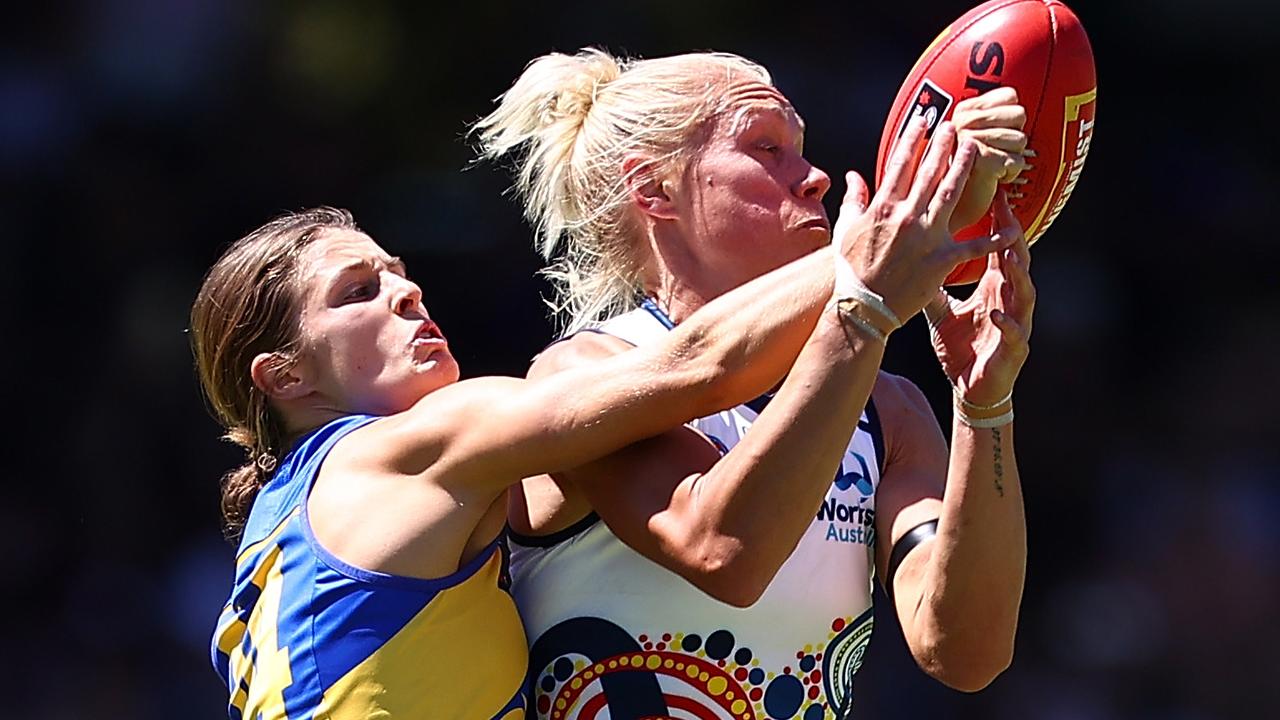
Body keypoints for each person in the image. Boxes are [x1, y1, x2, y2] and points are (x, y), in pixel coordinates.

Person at [192, 122, 1002, 720]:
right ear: (284, 376)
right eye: (357, 292)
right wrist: (872, 261)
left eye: (400, 275)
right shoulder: (414, 447)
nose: (407, 293)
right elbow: (696, 369)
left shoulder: (281, 534)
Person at [474, 48, 1035, 718]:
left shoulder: (889, 407)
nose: (816, 178)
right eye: (767, 147)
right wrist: (866, 289)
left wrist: (984, 404)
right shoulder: (585, 373)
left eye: (802, 149)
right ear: (653, 189)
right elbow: (723, 551)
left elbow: (964, 652)